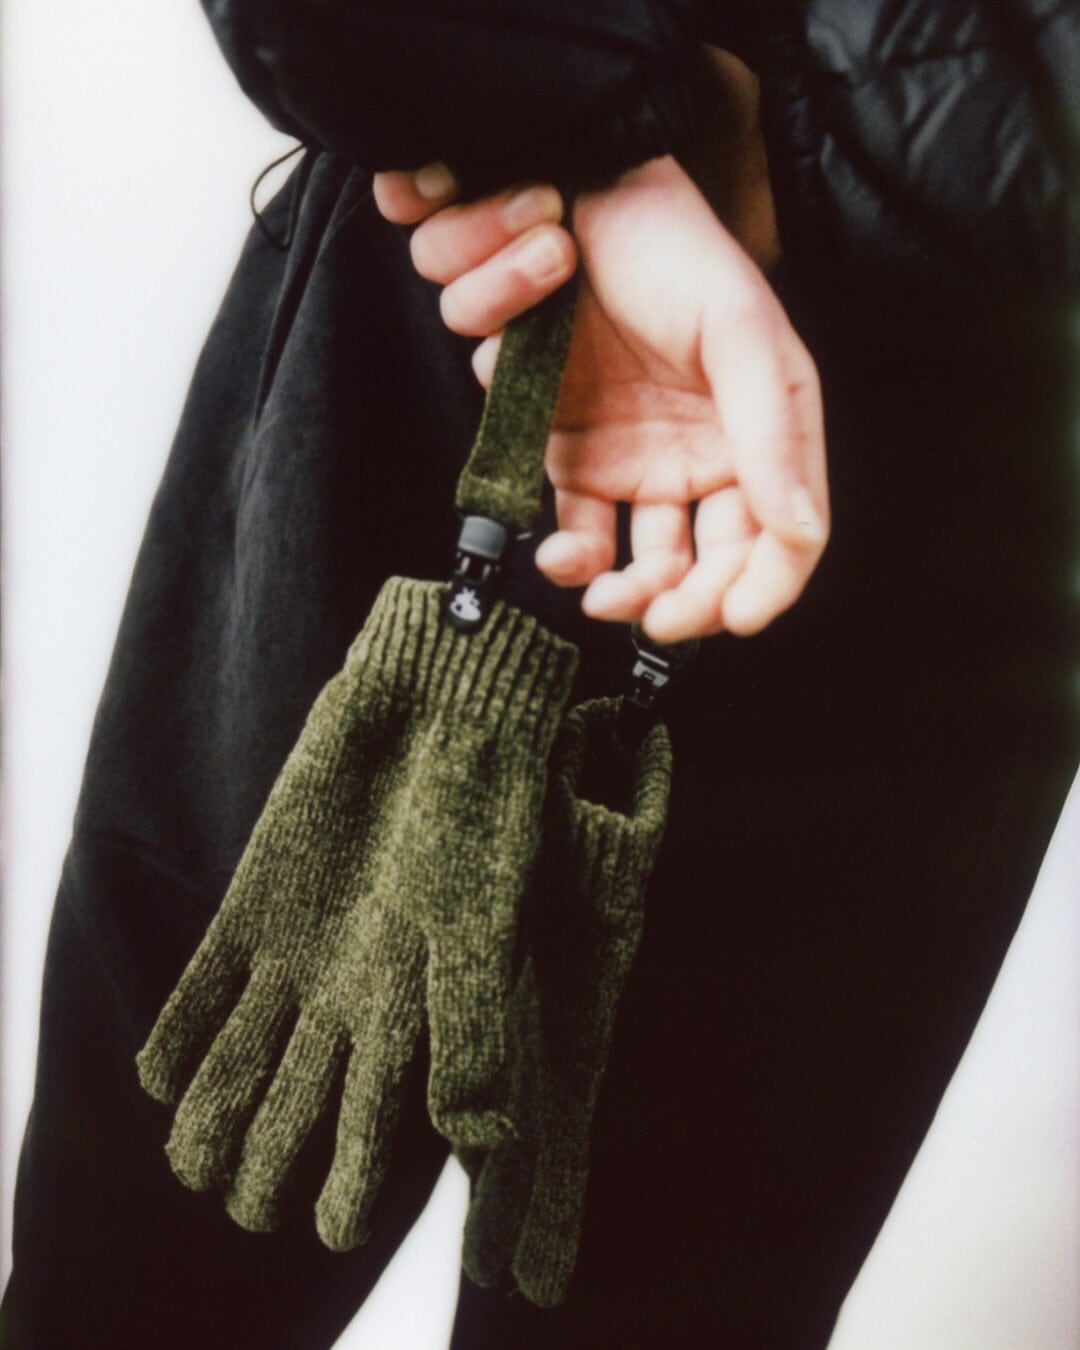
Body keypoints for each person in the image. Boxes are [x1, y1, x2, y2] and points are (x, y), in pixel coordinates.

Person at [1, 3, 1076, 1347]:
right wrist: (609, 137)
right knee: (159, 1244)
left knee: (663, 1289)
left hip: (954, 480)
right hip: (476, 311)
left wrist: (755, 141)